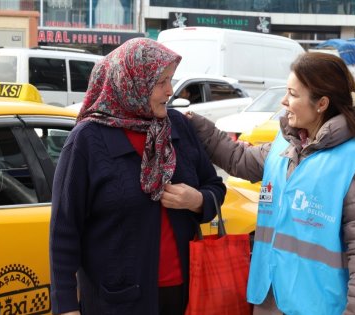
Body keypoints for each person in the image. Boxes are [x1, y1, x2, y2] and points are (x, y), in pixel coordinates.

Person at [187, 52, 355, 315]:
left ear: (321, 103)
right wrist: (195, 125)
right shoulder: (286, 144)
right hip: (269, 297)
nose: (284, 101)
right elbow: (240, 159)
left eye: (292, 93)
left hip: (316, 305)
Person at [49, 38, 226, 315]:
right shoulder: (87, 140)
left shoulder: (177, 127)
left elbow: (214, 186)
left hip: (184, 295)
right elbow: (64, 230)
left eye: (171, 80)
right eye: (161, 82)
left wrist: (197, 200)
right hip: (116, 301)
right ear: (131, 82)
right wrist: (66, 307)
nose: (170, 91)